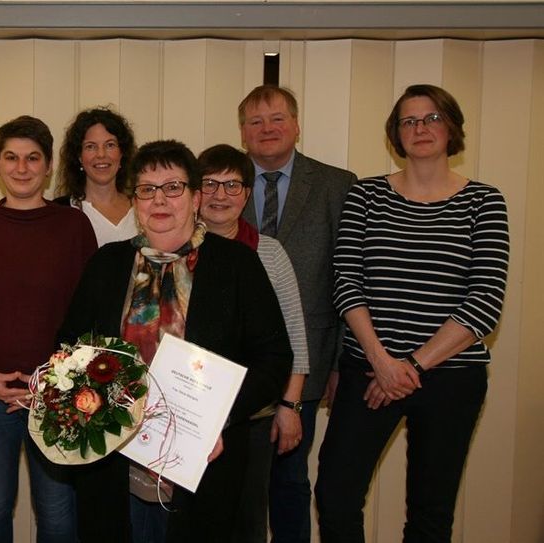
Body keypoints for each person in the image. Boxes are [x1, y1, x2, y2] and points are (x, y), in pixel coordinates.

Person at [60, 139, 293, 543]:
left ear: (196, 197)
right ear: (135, 202)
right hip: (114, 461)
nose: (159, 200)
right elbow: (70, 348)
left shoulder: (237, 264)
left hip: (205, 461)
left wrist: (217, 419)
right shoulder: (106, 264)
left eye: (173, 187)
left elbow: (274, 357)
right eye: (147, 189)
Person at [315, 84, 509, 542]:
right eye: (409, 120)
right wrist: (383, 363)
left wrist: (412, 366)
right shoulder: (366, 197)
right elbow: (346, 284)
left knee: (430, 510)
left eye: (432, 118)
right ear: (396, 134)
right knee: (335, 495)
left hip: (450, 377)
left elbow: (484, 301)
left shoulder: (484, 201)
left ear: (452, 128)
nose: (421, 128)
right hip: (369, 369)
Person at [0, 115, 97, 543]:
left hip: (57, 395)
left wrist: (53, 384)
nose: (22, 167)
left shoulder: (73, 226)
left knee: (56, 509)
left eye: (33, 158)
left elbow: (88, 316)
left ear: (48, 165)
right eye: (11, 157)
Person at [238, 84, 356, 543]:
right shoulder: (221, 184)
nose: (267, 129)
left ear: (297, 124)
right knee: (239, 485)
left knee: (288, 481)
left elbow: (349, 279)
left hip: (307, 361)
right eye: (255, 121)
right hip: (237, 364)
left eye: (277, 118)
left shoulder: (337, 185)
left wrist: (341, 363)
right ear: (243, 132)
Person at [197, 143, 310, 542]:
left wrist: (290, 406)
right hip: (190, 413)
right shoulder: (177, 251)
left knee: (247, 519)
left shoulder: (270, 252)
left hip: (253, 415)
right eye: (210, 184)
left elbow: (294, 335)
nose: (220, 196)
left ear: (247, 194)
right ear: (195, 192)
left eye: (232, 185)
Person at [55, 106, 138, 245]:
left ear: (122, 153)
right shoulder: (60, 212)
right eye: (91, 146)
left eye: (110, 145)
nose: (101, 154)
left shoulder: (142, 208)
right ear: (79, 156)